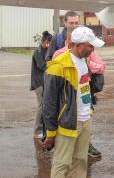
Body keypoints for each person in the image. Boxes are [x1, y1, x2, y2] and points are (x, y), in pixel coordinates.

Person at [42, 26, 105, 178]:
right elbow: (49, 103)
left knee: (80, 162)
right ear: (78, 45)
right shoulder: (58, 66)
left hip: (85, 120)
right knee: (62, 164)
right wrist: (50, 132)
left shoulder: (86, 60)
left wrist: (89, 110)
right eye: (90, 46)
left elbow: (85, 88)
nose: (93, 49)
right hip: (67, 124)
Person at [30, 31, 52, 140]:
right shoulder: (38, 52)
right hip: (38, 83)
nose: (50, 45)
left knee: (45, 106)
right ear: (45, 41)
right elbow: (42, 65)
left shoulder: (46, 50)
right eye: (49, 43)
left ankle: (44, 128)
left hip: (44, 82)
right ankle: (37, 130)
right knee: (41, 106)